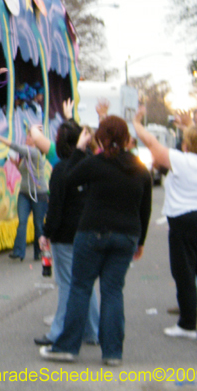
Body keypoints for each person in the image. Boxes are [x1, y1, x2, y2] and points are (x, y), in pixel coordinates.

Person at [40, 117, 151, 366]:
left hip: (92, 232)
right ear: (126, 139)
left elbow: (67, 179)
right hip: (126, 235)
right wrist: (140, 241)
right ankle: (112, 352)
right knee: (113, 292)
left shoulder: (95, 163)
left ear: (99, 138)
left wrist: (80, 150)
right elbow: (145, 208)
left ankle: (67, 347)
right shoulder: (139, 168)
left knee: (80, 288)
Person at [132, 106, 197, 340]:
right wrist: (189, 126)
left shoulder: (180, 160)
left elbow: (150, 142)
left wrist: (137, 122)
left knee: (185, 272)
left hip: (184, 220)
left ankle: (187, 324)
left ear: (186, 144)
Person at [34, 120, 100, 348]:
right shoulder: (91, 164)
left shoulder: (62, 169)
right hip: (88, 230)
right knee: (83, 283)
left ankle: (58, 332)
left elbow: (56, 206)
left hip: (65, 234)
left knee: (67, 284)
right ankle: (93, 330)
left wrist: (46, 232)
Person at [0, 127, 50, 261]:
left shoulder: (35, 153)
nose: (27, 138)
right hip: (24, 192)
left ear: (36, 140)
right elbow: (25, 172)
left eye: (29, 136)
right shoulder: (26, 155)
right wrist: (16, 165)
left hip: (38, 194)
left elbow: (16, 146)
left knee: (38, 224)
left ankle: (39, 252)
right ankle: (18, 251)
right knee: (22, 221)